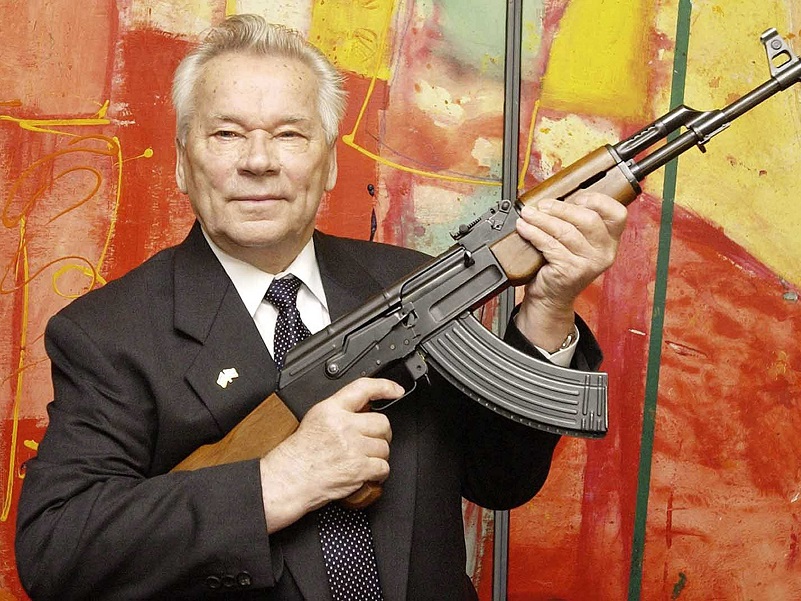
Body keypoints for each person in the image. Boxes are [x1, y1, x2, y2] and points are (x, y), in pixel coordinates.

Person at [15, 14, 628, 601]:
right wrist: (276, 483)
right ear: (181, 161)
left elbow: (502, 479)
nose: (259, 161)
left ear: (330, 161)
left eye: (289, 134)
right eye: (227, 134)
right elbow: (55, 551)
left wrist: (549, 306)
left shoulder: (412, 283)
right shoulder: (108, 333)